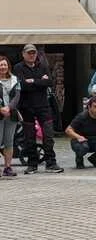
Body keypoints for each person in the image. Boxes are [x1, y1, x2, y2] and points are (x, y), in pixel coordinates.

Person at [13, 45, 62, 173]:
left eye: (33, 53)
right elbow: (22, 85)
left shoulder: (43, 66)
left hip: (43, 106)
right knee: (29, 137)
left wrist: (33, 81)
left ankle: (51, 163)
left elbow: (49, 82)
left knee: (48, 135)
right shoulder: (18, 67)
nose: (32, 55)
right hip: (26, 107)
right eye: (29, 53)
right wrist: (40, 81)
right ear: (23, 54)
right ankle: (32, 164)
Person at [0, 56, 21, 178]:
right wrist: (1, 109)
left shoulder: (15, 79)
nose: (2, 67)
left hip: (11, 114)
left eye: (4, 64)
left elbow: (17, 97)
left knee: (9, 142)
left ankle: (7, 167)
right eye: (0, 65)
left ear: (8, 66)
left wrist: (9, 108)